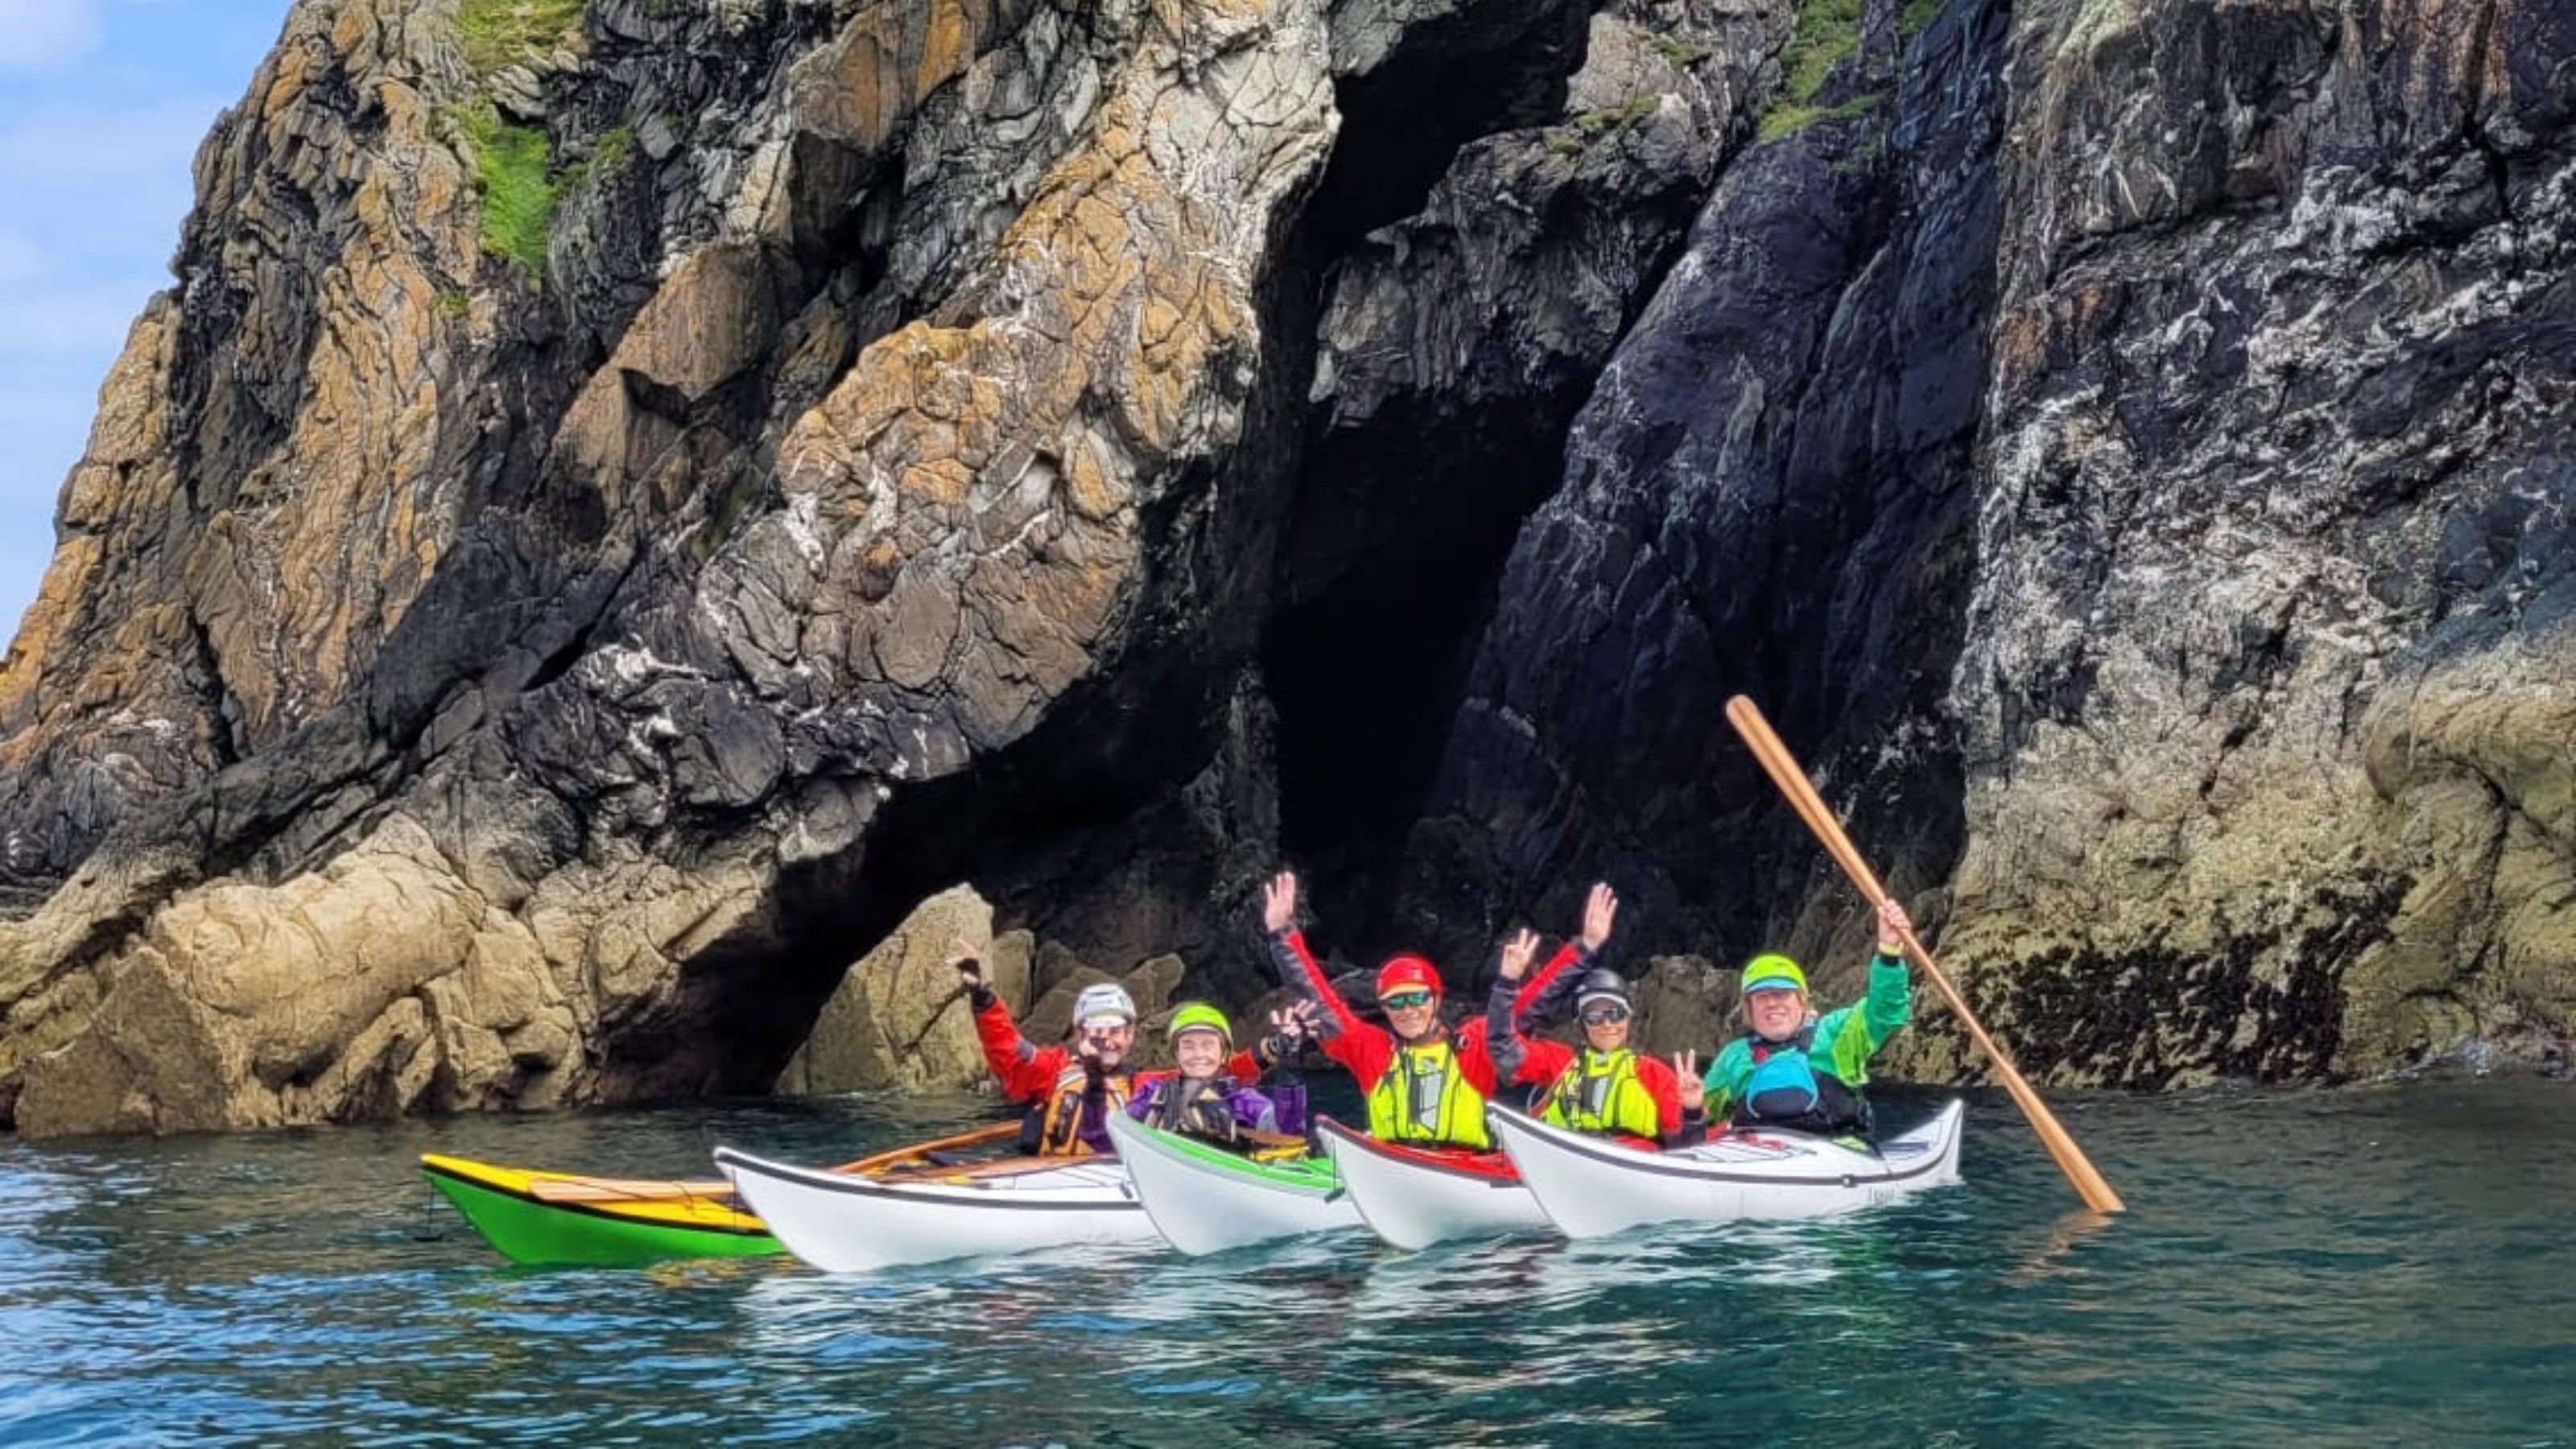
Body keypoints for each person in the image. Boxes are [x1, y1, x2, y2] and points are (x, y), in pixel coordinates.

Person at [1260, 870, 1616, 1151]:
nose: (1408, 1009)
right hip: (1395, 1163)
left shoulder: (1474, 1043)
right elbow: (1320, 1000)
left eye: (1417, 998)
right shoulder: (1371, 1050)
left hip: (1466, 1167)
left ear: (1435, 1000)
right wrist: (1282, 935)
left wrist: (1584, 948)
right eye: (1396, 1002)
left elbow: (1531, 1004)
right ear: (1383, 1008)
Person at [951, 941, 1264, 1157]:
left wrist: (1268, 1053)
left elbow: (1214, 1073)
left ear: (1129, 1036)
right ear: (1079, 1033)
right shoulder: (1052, 1071)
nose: (1107, 1040)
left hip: (1116, 1177)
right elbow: (1006, 1048)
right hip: (1056, 1175)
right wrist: (982, 995)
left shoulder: (1144, 1085)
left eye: (1115, 1031)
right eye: (1097, 1031)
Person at [1699, 897, 1916, 1137]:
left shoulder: (1835, 1033)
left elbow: (1885, 1011)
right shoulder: (1734, 1057)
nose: (1772, 1004)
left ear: (1801, 1002)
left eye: (1781, 994)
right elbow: (1700, 1117)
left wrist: (1889, 953)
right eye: (1761, 997)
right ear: (1749, 1009)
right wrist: (1689, 1109)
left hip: (1837, 1155)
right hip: (1758, 1158)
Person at [1488, 952, 1707, 1149]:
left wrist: (1693, 1111)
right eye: (1594, 1017)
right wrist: (1506, 984)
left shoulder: (1653, 1074)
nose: (1607, 1024)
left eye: (1615, 1013)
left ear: (1628, 1017)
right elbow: (1503, 1049)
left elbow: (1686, 1147)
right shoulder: (1562, 1062)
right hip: (1564, 1161)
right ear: (1582, 1025)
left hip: (1628, 1169)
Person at [1125, 1001, 1312, 1146]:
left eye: (1208, 1045)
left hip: (1222, 1180)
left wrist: (1290, 1068)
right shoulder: (1152, 1091)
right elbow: (1121, 1128)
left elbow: (1287, 1132)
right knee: (1176, 1091)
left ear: (1224, 1054)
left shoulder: (1243, 1099)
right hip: (1163, 1173)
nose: (1199, 1055)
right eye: (1188, 1046)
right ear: (1176, 1054)